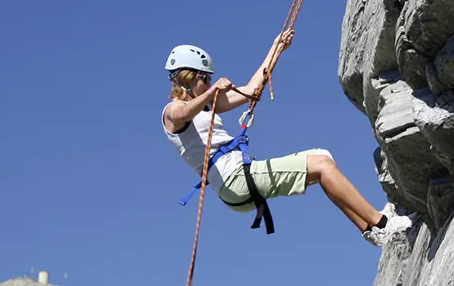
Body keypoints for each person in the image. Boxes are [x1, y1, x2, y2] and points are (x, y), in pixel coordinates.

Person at [161, 30, 413, 245]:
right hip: (233, 178)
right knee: (322, 166)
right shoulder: (172, 111)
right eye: (204, 78)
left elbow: (250, 90)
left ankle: (369, 230)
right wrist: (211, 93)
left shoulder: (206, 105)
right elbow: (184, 112)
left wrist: (276, 49)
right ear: (187, 79)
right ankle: (382, 224)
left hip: (238, 178)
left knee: (323, 157)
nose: (209, 82)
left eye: (209, 79)